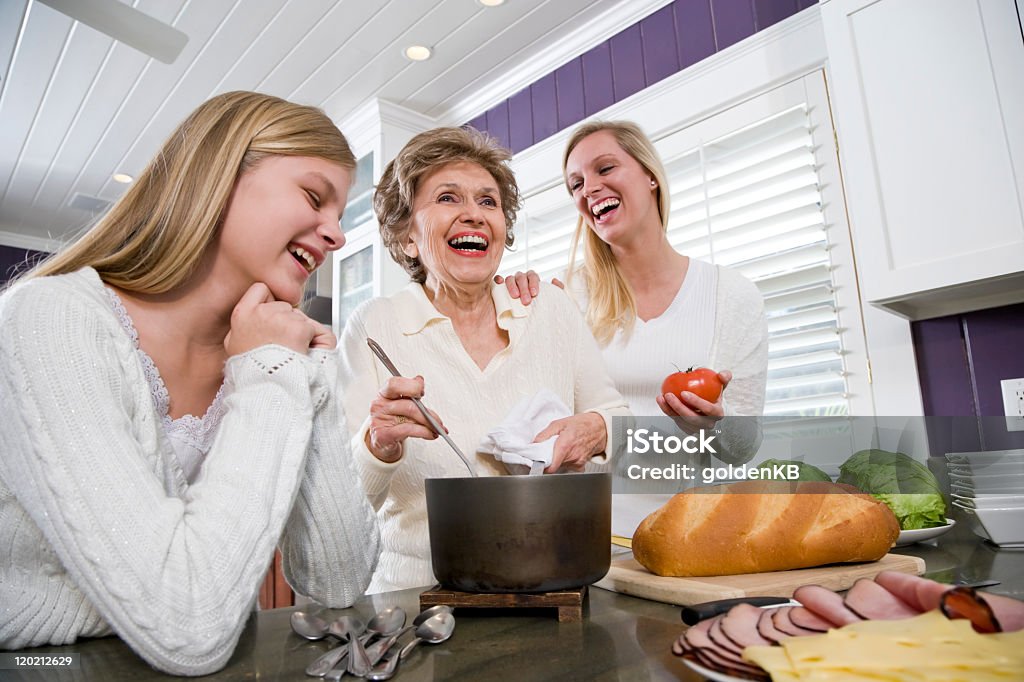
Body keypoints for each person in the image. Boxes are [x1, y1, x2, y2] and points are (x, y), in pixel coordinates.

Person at [0, 91, 379, 676]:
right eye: (313, 197)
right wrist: (168, 590)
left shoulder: (263, 362)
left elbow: (338, 580)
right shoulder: (53, 321)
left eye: (340, 216)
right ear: (221, 175)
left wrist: (304, 375)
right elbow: (192, 623)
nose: (337, 236)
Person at [337, 126, 631, 593]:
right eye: (448, 198)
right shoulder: (375, 327)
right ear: (407, 236)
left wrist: (596, 428)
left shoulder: (549, 310)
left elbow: (619, 421)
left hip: (550, 588)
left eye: (488, 202)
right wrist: (378, 445)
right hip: (416, 602)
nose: (473, 214)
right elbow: (342, 510)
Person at [503, 121, 768, 533]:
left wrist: (715, 425)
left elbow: (743, 445)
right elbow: (535, 411)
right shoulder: (565, 293)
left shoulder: (731, 295)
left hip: (690, 532)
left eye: (604, 169)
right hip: (583, 532)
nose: (588, 189)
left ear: (649, 176)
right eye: (575, 184)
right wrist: (513, 304)